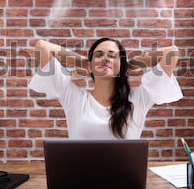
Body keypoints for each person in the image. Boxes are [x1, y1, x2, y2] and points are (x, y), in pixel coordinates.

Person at [28, 37, 183, 139]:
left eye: (112, 55)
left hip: (125, 185)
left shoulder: (138, 99)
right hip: (80, 181)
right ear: (91, 65)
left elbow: (172, 52)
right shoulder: (74, 98)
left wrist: (132, 64)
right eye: (99, 55)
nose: (105, 58)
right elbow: (42, 47)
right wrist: (83, 63)